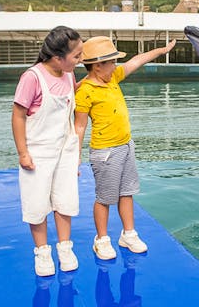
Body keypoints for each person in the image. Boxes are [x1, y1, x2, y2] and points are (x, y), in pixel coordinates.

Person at [75, 36, 176, 260]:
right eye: (111, 62)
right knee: (104, 198)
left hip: (125, 146)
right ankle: (101, 239)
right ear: (97, 65)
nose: (116, 66)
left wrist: (161, 50)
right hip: (105, 152)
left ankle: (128, 234)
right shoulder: (85, 91)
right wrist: (75, 156)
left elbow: (136, 61)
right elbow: (79, 126)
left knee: (127, 193)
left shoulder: (112, 78)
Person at [12, 26, 83, 276]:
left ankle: (65, 247)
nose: (80, 59)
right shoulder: (32, 77)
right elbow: (19, 115)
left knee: (64, 200)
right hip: (38, 152)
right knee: (37, 202)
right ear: (57, 57)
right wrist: (23, 152)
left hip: (65, 150)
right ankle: (42, 252)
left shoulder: (68, 75)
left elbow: (70, 106)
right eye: (76, 56)